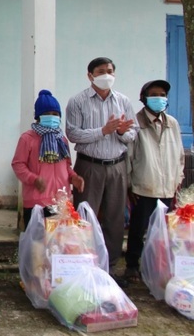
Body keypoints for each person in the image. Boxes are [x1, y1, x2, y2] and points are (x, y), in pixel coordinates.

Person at [65, 57, 138, 287]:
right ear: (90, 75)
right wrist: (103, 131)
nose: (106, 75)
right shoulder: (77, 102)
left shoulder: (123, 101)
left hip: (117, 166)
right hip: (89, 166)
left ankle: (110, 268)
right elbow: (73, 134)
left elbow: (133, 133)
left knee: (115, 219)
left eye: (110, 71)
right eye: (101, 71)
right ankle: (81, 267)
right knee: (85, 216)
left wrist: (121, 133)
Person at [124, 79, 184, 283]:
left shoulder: (172, 123)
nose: (160, 98)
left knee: (163, 232)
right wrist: (129, 185)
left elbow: (179, 155)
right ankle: (132, 265)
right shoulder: (136, 123)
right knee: (138, 227)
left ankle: (157, 266)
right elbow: (129, 156)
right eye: (155, 94)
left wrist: (178, 179)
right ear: (144, 98)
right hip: (143, 186)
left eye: (163, 95)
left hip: (167, 186)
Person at [12, 89, 85, 229]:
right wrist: (34, 179)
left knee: (59, 242)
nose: (52, 117)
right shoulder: (27, 139)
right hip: (36, 202)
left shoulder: (62, 140)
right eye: (47, 114)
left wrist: (74, 178)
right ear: (38, 116)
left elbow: (66, 167)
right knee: (37, 245)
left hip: (60, 202)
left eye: (55, 114)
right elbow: (18, 165)